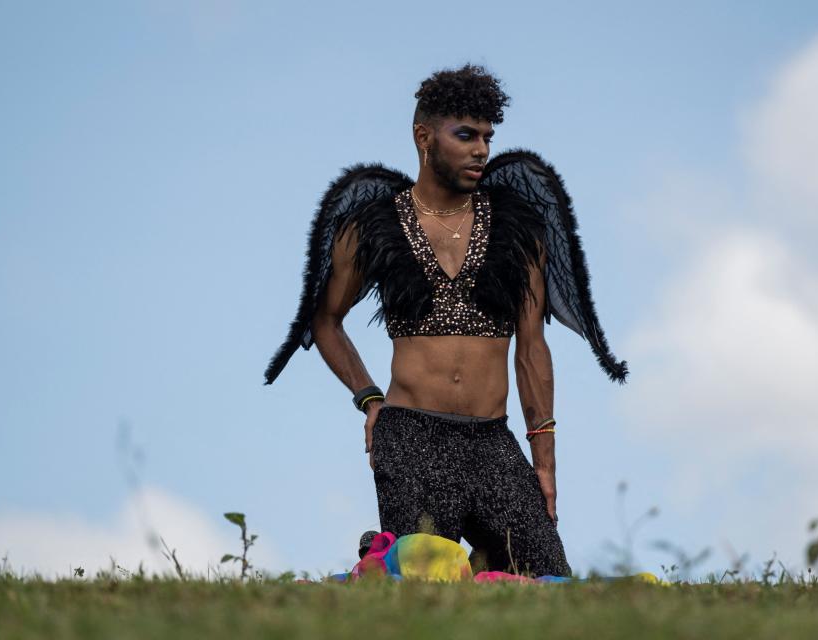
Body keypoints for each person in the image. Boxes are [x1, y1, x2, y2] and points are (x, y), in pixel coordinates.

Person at [264, 64, 627, 577]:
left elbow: (531, 349)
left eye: (487, 136)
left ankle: (379, 558)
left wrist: (543, 459)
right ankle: (383, 561)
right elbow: (326, 321)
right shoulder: (373, 223)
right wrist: (369, 399)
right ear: (423, 137)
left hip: (492, 442)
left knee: (549, 582)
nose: (481, 149)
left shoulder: (518, 227)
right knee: (427, 581)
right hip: (411, 437)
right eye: (465, 135)